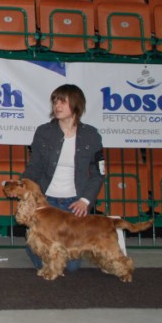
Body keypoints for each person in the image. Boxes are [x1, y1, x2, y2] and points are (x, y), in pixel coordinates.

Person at [20, 84, 105, 272]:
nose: (57, 106)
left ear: (76, 105)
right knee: (42, 259)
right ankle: (33, 242)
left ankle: (43, 243)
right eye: (55, 101)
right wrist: (24, 187)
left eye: (62, 102)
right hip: (46, 202)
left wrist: (85, 201)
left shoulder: (92, 135)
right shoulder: (44, 132)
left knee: (71, 267)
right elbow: (34, 167)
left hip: (74, 205)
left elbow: (98, 174)